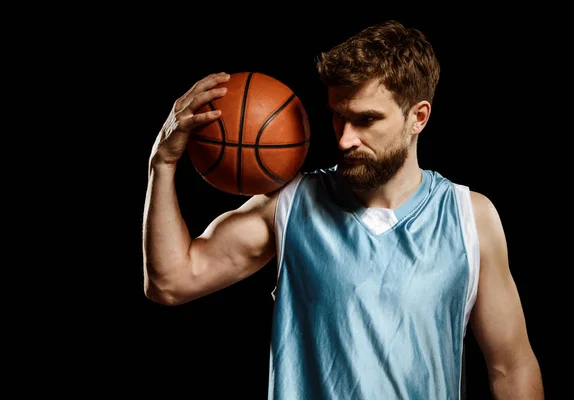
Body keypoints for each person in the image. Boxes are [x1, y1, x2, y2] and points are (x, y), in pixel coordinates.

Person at [142, 20, 543, 399]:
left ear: (418, 117)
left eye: (366, 120)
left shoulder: (469, 217)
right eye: (339, 117)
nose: (346, 138)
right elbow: (171, 282)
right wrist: (161, 165)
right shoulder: (291, 204)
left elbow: (511, 367)